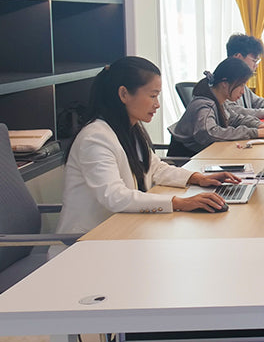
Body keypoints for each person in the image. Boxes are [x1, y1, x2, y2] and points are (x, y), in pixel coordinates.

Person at [50, 57, 238, 258]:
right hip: (87, 245)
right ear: (124, 94)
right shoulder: (95, 137)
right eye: (152, 96)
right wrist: (180, 202)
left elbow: (155, 168)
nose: (157, 104)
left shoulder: (128, 129)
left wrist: (197, 178)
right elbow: (115, 197)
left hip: (124, 232)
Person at [169, 58, 264, 156]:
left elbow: (234, 119)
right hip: (188, 159)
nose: (243, 91)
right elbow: (210, 133)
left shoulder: (219, 101)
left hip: (206, 154)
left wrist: (258, 125)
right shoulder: (204, 105)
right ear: (224, 83)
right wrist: (253, 133)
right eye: (241, 85)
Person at [226, 33, 264, 118]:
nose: (256, 66)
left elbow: (258, 102)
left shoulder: (240, 80)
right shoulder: (224, 82)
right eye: (254, 61)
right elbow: (236, 111)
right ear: (238, 57)